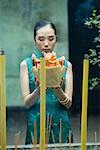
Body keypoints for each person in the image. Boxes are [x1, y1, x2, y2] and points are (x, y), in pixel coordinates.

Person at [20, 20, 73, 144]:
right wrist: (40, 88)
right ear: (34, 40)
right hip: (36, 122)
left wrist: (56, 87)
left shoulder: (65, 65)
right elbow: (27, 103)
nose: (46, 44)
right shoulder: (26, 65)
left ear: (56, 39)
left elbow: (68, 104)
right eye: (41, 39)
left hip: (60, 122)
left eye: (51, 39)